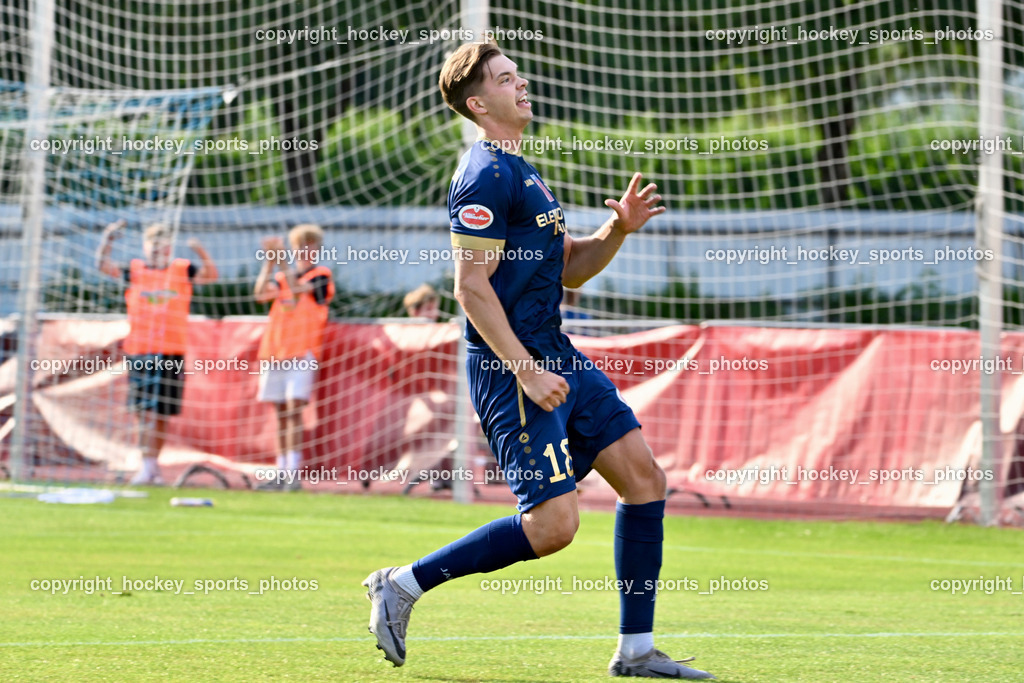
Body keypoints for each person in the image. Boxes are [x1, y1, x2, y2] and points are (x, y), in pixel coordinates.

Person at [362, 42, 714, 679]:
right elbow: (470, 288)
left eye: (517, 74)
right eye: (505, 79)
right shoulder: (484, 174)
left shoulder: (521, 169)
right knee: (553, 526)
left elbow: (569, 265)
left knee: (644, 479)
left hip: (558, 355)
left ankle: (636, 651)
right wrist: (524, 366)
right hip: (513, 367)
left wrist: (618, 231)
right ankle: (403, 584)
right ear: (478, 103)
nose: (520, 84)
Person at [96, 220, 218, 485]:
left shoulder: (182, 270)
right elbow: (104, 267)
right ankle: (145, 465)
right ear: (145, 247)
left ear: (169, 248)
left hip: (172, 351)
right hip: (140, 350)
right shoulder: (136, 270)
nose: (157, 251)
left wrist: (202, 253)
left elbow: (211, 276)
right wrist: (108, 240)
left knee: (162, 412)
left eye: (162, 246)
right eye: (153, 246)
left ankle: (154, 466)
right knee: (143, 411)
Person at [253, 224, 335, 491]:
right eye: (300, 245)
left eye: (310, 245)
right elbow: (260, 294)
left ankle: (293, 472)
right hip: (276, 351)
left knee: (294, 409)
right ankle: (281, 469)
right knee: (279, 412)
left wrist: (282, 263)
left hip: (302, 351)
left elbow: (299, 292)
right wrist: (269, 264)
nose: (305, 250)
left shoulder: (320, 275)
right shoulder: (282, 276)